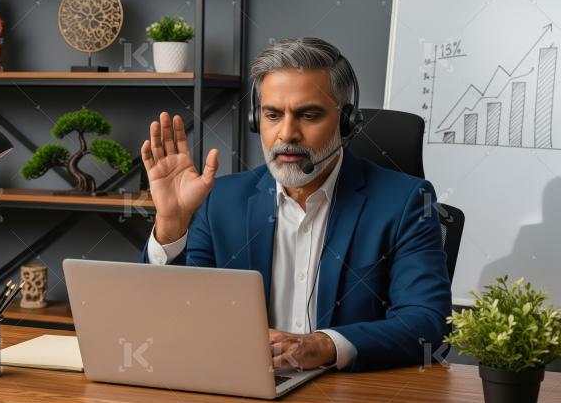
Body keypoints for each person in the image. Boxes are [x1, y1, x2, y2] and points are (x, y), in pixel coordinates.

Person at [139, 37, 451, 372]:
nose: (287, 134)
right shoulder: (222, 199)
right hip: (243, 390)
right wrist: (171, 223)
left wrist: (323, 345)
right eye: (273, 115)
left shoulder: (406, 202)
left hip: (347, 397)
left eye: (309, 115)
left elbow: (428, 326)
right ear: (256, 120)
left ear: (347, 123)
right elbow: (176, 314)